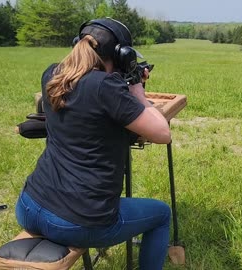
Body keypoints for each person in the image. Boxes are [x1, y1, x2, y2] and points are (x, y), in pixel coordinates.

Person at [15, 18, 172, 270]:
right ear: (122, 56)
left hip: (28, 206)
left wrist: (125, 84)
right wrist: (138, 90)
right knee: (162, 214)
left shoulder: (52, 74)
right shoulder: (106, 87)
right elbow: (163, 133)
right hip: (77, 222)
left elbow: (88, 105)